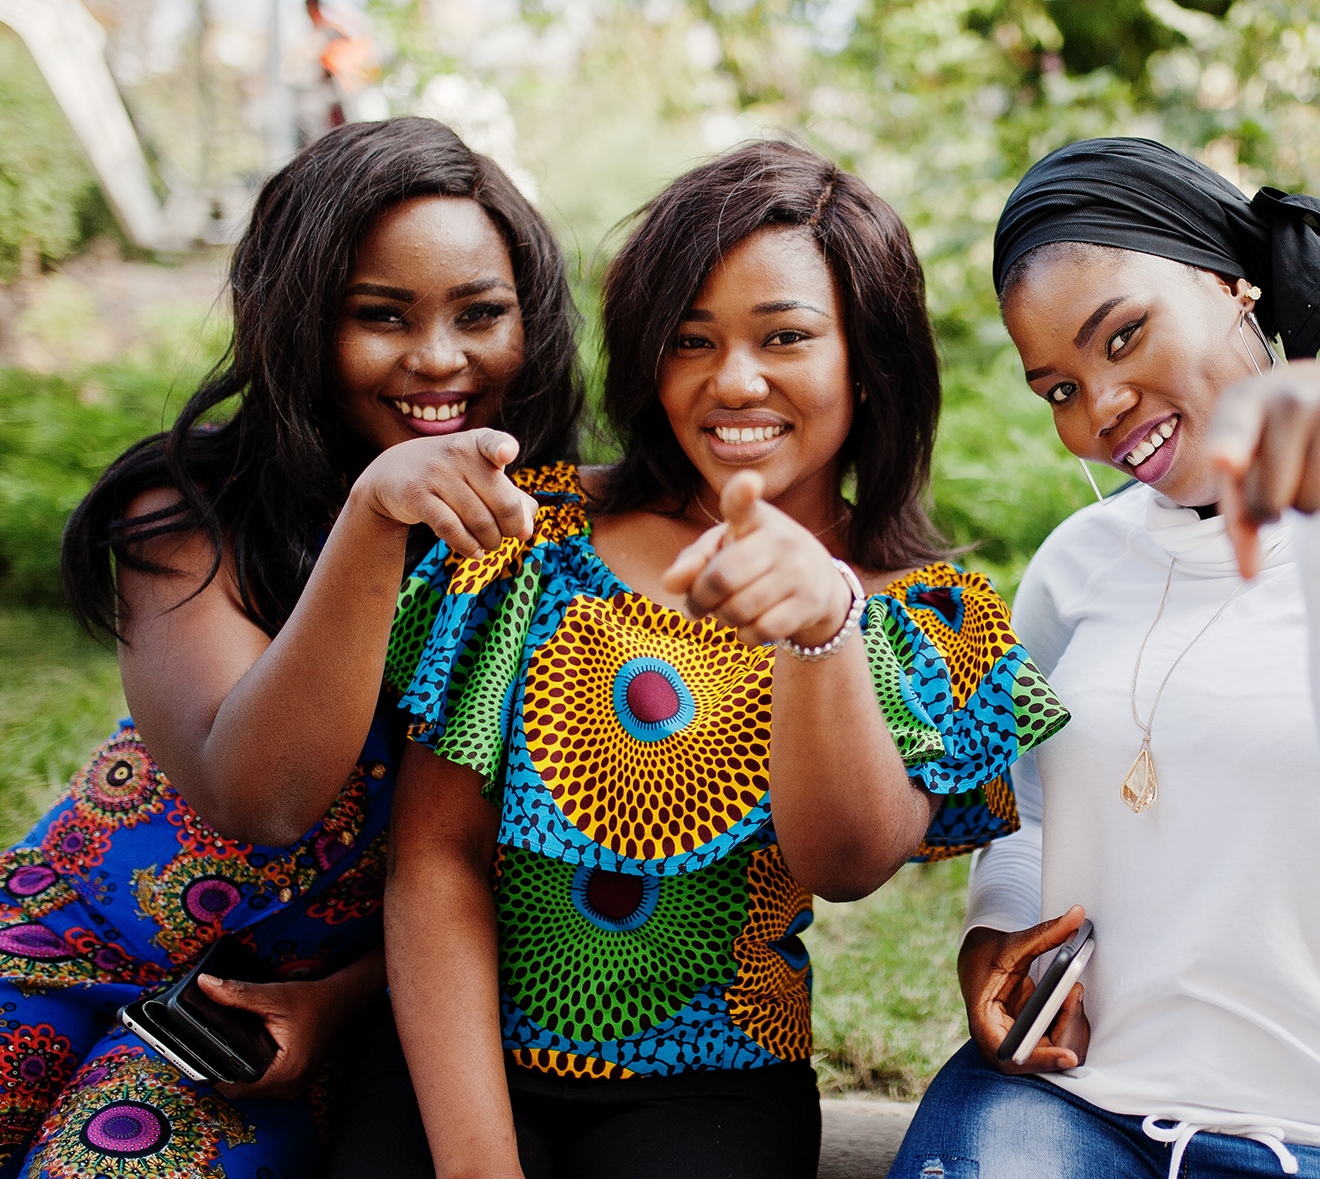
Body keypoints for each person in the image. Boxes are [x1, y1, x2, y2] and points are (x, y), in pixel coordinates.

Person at [338, 140, 1068, 1179]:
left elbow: (848, 863)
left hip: (718, 1082)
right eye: (691, 339)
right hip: (455, 1059)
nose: (733, 380)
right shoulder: (532, 537)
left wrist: (821, 629)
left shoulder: (919, 613)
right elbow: (435, 860)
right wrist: (477, 1166)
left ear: (870, 359)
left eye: (785, 336)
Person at [888, 136, 1320, 1179]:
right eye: (1057, 388)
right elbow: (1031, 808)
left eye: (1123, 336)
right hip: (1073, 1105)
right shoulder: (1077, 562)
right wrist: (996, 933)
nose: (1100, 409)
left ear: (1232, 283)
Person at [0, 116, 583, 1179]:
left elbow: (513, 874)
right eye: (380, 315)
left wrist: (341, 1004)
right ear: (299, 320)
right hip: (59, 935)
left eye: (481, 313)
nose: (439, 357)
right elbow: (249, 789)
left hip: (262, 1025)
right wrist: (372, 518)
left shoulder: (560, 552)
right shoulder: (188, 511)